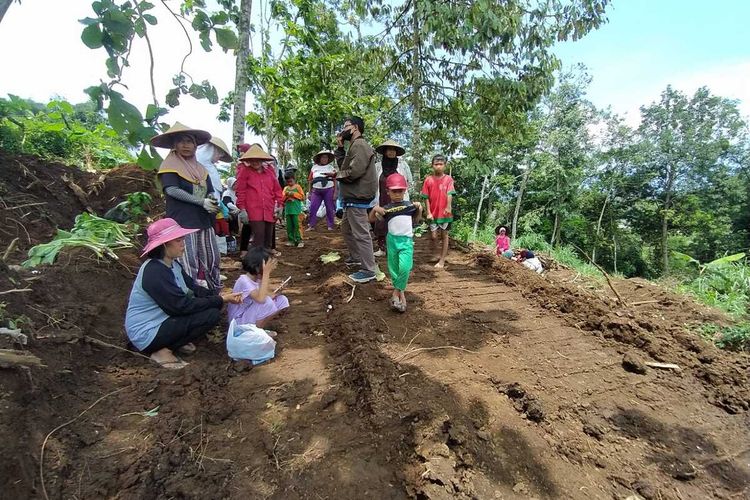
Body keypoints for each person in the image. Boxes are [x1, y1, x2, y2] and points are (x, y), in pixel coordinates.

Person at [125, 218, 242, 369]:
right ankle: (162, 351)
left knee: (211, 309)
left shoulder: (173, 264)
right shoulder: (154, 272)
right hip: (147, 332)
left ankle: (173, 342)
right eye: (178, 240)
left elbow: (194, 288)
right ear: (164, 244)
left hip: (164, 320)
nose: (183, 243)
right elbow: (180, 306)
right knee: (210, 315)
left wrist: (219, 296)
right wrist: (220, 299)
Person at [152, 122, 222, 290]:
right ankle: (190, 296)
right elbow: (172, 190)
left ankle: (214, 293)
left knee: (211, 258)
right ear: (174, 145)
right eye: (181, 141)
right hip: (183, 222)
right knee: (188, 261)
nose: (186, 145)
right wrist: (199, 201)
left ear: (195, 145)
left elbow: (210, 190)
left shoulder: (201, 169)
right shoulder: (169, 166)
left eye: (189, 141)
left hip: (203, 221)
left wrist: (212, 199)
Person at [334, 116, 379, 283]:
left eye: (345, 126)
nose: (342, 130)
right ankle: (356, 257)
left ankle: (369, 269)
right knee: (346, 229)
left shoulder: (360, 145)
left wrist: (336, 175)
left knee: (361, 234)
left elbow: (354, 172)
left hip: (357, 197)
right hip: (351, 197)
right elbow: (344, 168)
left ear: (355, 128)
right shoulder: (353, 145)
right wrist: (340, 148)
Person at [369, 174, 422, 313]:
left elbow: (417, 220)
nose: (398, 194)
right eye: (394, 191)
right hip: (391, 240)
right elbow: (371, 220)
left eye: (400, 191)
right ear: (388, 192)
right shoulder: (386, 209)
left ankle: (395, 293)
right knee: (393, 268)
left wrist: (420, 208)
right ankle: (401, 294)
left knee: (405, 268)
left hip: (406, 241)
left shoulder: (410, 206)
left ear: (405, 191)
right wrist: (375, 209)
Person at [235, 144, 283, 254]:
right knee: (258, 237)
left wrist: (280, 205)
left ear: (262, 160)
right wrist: (242, 209)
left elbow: (277, 190)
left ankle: (264, 263)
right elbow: (240, 191)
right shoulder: (245, 171)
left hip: (269, 208)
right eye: (252, 159)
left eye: (257, 159)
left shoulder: (270, 172)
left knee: (268, 237)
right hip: (253, 210)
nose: (255, 162)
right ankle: (254, 265)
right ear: (248, 160)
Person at [228, 247, 290, 330]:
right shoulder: (244, 280)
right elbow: (261, 299)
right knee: (267, 302)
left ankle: (259, 329)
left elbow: (265, 294)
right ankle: (253, 332)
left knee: (282, 300)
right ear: (258, 268)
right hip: (238, 320)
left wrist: (278, 292)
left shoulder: (256, 280)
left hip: (248, 314)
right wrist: (266, 274)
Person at [373, 139, 413, 257]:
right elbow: (374, 182)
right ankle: (382, 248)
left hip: (399, 199)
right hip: (382, 198)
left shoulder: (403, 165)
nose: (391, 152)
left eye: (393, 150)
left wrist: (403, 194)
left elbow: (409, 181)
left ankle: (398, 248)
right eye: (388, 150)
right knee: (381, 222)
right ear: (384, 152)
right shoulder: (377, 166)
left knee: (397, 222)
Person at [421, 154, 456, 269]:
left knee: (445, 235)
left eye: (441, 164)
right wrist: (428, 212)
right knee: (434, 236)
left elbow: (450, 193)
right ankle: (436, 253)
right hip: (433, 213)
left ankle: (442, 260)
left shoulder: (448, 179)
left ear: (445, 166)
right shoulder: (428, 180)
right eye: (436, 164)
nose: (438, 166)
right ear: (432, 166)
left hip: (445, 214)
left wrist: (449, 206)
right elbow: (426, 198)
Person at [307, 150, 337, 231]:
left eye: (326, 157)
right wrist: (309, 192)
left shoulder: (331, 168)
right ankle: (311, 225)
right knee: (312, 207)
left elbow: (335, 180)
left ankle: (330, 225)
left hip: (329, 190)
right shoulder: (314, 167)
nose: (325, 159)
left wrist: (335, 192)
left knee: (329, 208)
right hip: (316, 191)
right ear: (319, 158)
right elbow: (310, 180)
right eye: (323, 157)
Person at [282, 171, 305, 247]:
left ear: (294, 179)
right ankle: (291, 240)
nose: (289, 183)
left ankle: (299, 240)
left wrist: (293, 194)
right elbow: (282, 198)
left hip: (296, 210)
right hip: (288, 211)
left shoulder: (298, 187)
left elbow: (302, 197)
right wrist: (286, 197)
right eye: (288, 182)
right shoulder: (285, 188)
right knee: (289, 226)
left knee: (297, 225)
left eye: (291, 181)